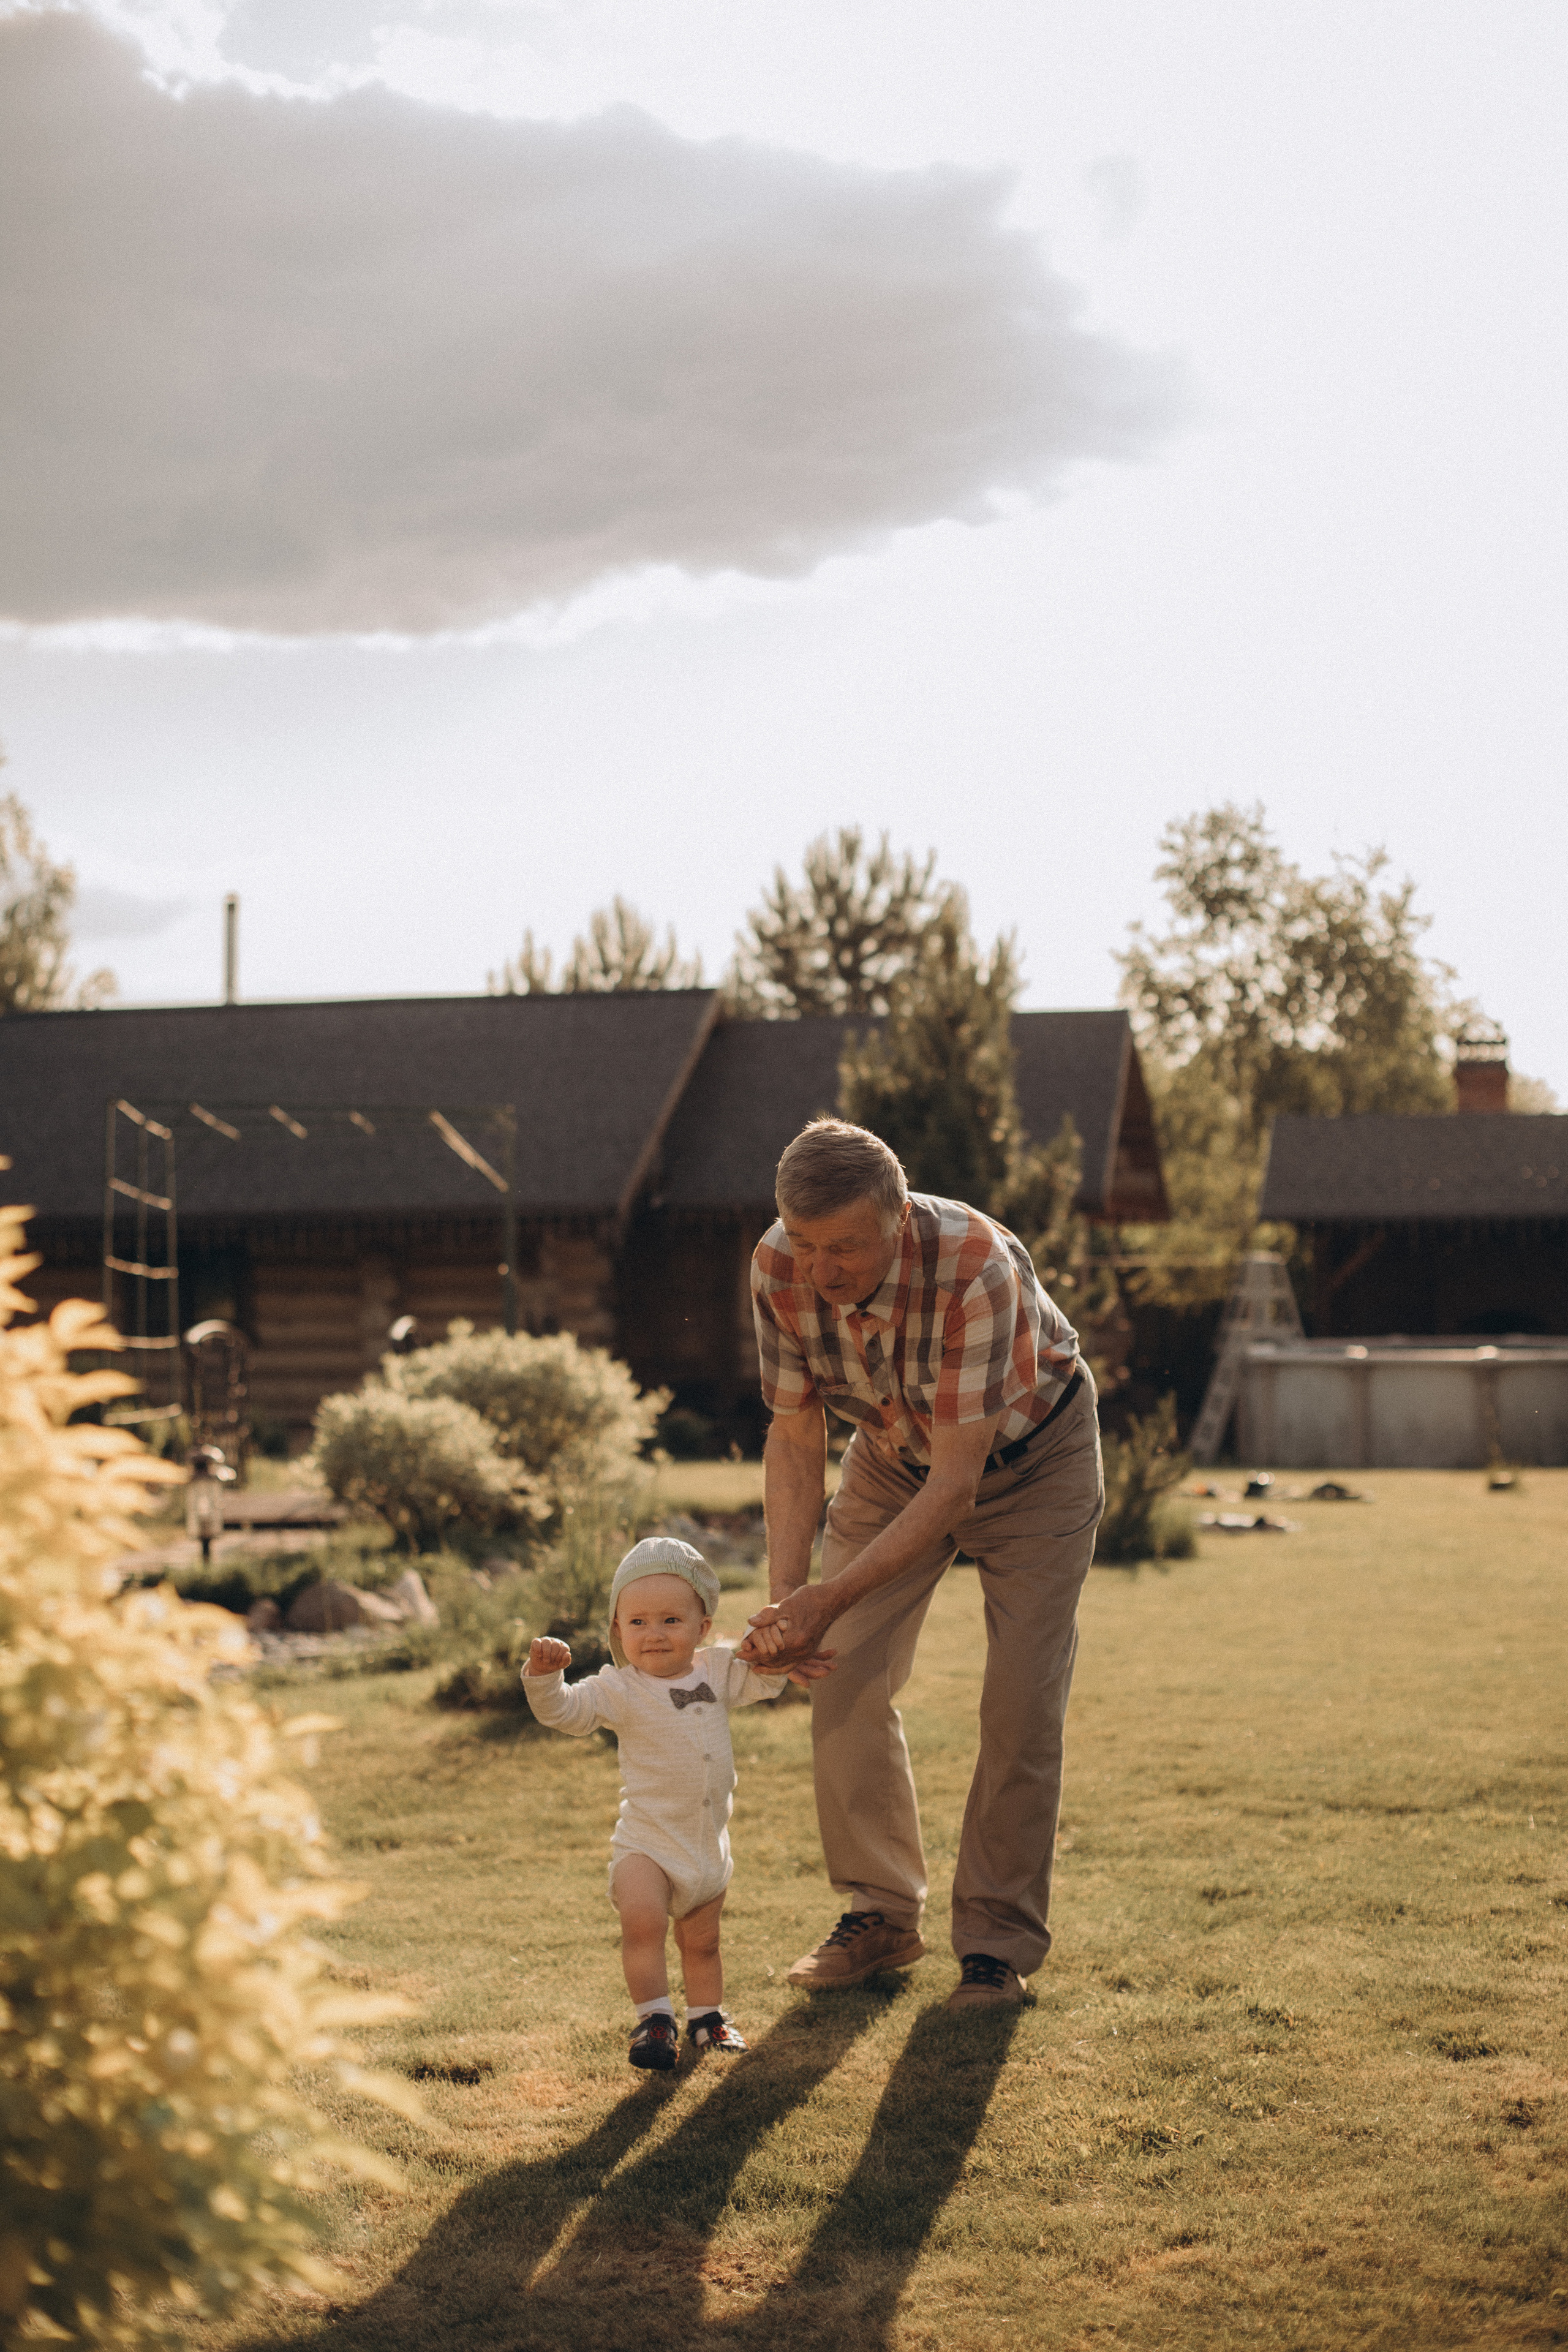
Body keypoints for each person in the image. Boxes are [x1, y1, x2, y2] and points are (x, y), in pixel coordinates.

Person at [739, 1118, 1103, 2011]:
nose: (823, 1271)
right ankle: (881, 1913)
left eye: (848, 1247)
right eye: (809, 1245)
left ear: (899, 1217)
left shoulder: (976, 1266)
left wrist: (828, 1593)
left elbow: (954, 1487)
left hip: (1031, 1460)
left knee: (1019, 1702)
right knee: (843, 1670)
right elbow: (794, 1432)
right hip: (889, 1452)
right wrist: (790, 1601)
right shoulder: (779, 1265)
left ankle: (995, 1947)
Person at [522, 1536, 824, 2070]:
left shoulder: (718, 1670)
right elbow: (566, 1713)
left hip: (708, 1848)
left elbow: (766, 1681)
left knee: (703, 1941)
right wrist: (546, 1680)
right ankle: (654, 2020)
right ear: (617, 1628)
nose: (653, 1634)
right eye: (636, 1622)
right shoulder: (620, 1688)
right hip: (648, 1844)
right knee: (644, 1923)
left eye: (670, 1621)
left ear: (702, 1627)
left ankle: (708, 2017)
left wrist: (777, 1651)